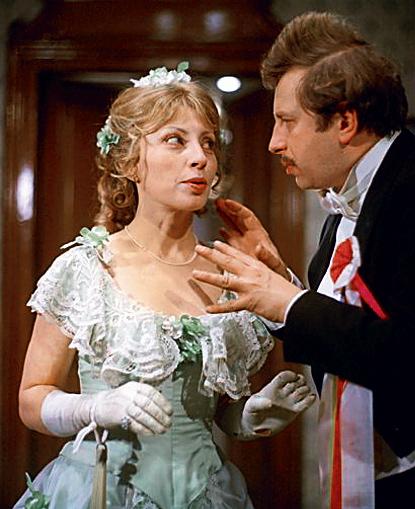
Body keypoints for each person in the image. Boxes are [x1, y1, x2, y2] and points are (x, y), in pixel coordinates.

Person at [192, 11, 415, 509]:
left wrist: (288, 303)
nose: (274, 142)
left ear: (344, 122)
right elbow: (347, 334)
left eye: (287, 121)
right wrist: (277, 281)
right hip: (375, 472)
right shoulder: (342, 204)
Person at [14, 63, 315, 509]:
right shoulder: (87, 269)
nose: (199, 157)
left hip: (204, 492)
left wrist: (248, 417)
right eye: (175, 140)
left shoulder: (227, 274)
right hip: (103, 490)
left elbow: (211, 411)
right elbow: (31, 399)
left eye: (208, 143)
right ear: (130, 161)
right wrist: (94, 408)